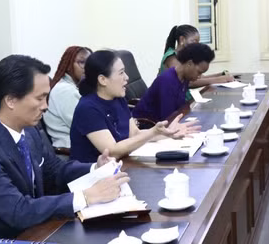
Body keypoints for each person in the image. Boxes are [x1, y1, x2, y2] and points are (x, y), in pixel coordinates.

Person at [0, 55, 129, 244]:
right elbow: (18, 211)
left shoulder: (28, 130)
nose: (46, 106)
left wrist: (95, 168)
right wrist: (86, 196)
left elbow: (55, 172)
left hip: (37, 232)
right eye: (40, 98)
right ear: (10, 100)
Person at [71, 50, 199, 163]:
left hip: (122, 165)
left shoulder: (118, 99)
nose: (126, 77)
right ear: (103, 80)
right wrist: (152, 132)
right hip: (92, 178)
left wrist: (168, 133)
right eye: (121, 73)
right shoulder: (88, 108)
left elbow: (135, 134)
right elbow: (112, 151)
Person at [134, 43, 214, 122]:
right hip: (146, 126)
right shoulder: (167, 81)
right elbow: (168, 119)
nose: (199, 76)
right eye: (199, 72)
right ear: (190, 63)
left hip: (165, 123)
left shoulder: (184, 79)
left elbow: (179, 110)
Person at [43, 46, 92, 148]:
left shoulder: (75, 86)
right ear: (69, 65)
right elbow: (87, 125)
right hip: (70, 150)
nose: (88, 68)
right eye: (82, 62)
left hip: (84, 144)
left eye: (90, 63)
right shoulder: (65, 91)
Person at [161, 24, 233, 89]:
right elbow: (189, 83)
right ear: (182, 40)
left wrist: (221, 75)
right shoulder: (171, 57)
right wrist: (219, 80)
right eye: (194, 41)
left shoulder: (185, 58)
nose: (196, 45)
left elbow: (199, 77)